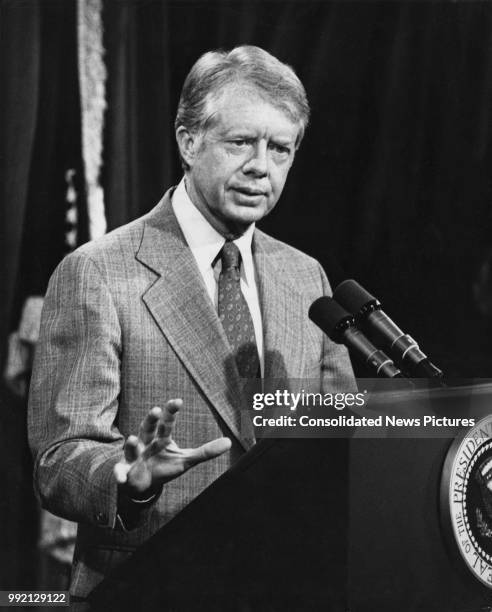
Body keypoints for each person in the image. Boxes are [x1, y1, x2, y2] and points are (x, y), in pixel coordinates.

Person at [28, 45, 354, 599]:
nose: (261, 166)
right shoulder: (98, 273)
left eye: (280, 148)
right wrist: (128, 481)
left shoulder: (306, 277)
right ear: (188, 142)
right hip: (148, 588)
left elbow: (339, 436)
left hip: (286, 588)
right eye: (241, 142)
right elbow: (59, 461)